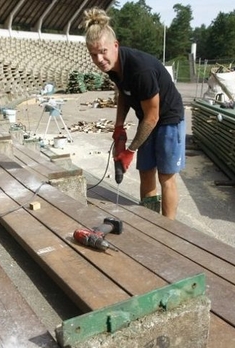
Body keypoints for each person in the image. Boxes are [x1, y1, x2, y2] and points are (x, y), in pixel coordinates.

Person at [81, 8, 186, 219]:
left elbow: (153, 117)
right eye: (94, 54)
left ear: (115, 45)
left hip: (168, 118)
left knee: (165, 176)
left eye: (103, 51)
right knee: (146, 171)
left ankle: (168, 228)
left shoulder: (141, 70)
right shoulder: (112, 68)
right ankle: (150, 219)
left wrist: (129, 150)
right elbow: (124, 94)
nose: (99, 59)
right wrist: (119, 128)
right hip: (148, 117)